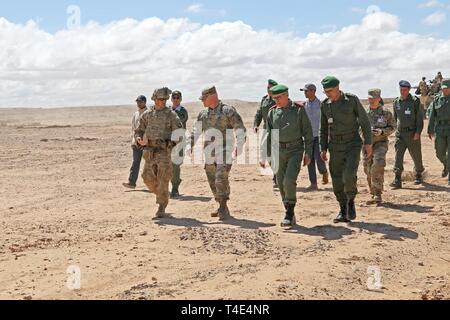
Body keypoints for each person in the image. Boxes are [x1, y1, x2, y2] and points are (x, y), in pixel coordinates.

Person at [319, 76, 373, 223]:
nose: (328, 94)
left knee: (349, 175)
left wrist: (368, 143)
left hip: (352, 144)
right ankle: (343, 209)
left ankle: (350, 201)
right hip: (335, 146)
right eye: (325, 92)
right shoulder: (325, 105)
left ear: (338, 88)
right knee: (336, 178)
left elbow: (365, 122)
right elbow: (323, 128)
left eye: (330, 91)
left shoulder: (352, 100)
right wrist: (322, 148)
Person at [190, 86, 247, 221]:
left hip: (225, 151)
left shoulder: (228, 111)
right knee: (212, 181)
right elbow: (195, 131)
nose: (202, 101)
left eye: (204, 98)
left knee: (220, 179)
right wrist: (189, 144)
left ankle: (222, 205)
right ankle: (222, 205)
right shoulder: (203, 114)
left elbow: (240, 129)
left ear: (212, 96)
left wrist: (239, 145)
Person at [263, 85, 313, 227]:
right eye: (274, 98)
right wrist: (267, 155)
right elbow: (269, 135)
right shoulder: (272, 113)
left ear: (286, 95)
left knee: (289, 180)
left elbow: (308, 132)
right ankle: (288, 210)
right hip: (278, 151)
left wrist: (308, 152)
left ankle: (289, 212)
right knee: (280, 182)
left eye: (279, 97)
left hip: (295, 150)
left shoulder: (298, 110)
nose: (276, 100)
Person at [135, 88, 183, 218]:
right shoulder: (148, 114)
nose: (163, 102)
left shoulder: (171, 115)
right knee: (147, 178)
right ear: (154, 99)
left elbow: (179, 134)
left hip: (163, 153)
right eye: (161, 99)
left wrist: (169, 144)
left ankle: (161, 206)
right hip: (149, 152)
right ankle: (162, 194)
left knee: (163, 180)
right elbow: (139, 130)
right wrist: (139, 139)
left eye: (165, 99)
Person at [390, 80, 425, 189]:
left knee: (416, 155)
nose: (402, 92)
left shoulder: (415, 101)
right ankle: (397, 178)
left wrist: (418, 132)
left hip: (412, 133)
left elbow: (420, 118)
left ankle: (418, 173)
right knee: (398, 155)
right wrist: (396, 129)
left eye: (405, 90)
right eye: (401, 89)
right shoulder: (396, 102)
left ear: (409, 90)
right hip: (400, 134)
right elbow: (395, 118)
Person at [363, 89, 396, 205]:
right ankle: (372, 192)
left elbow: (393, 127)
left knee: (377, 164)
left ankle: (377, 193)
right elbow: (357, 128)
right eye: (369, 98)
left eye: (373, 98)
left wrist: (382, 132)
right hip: (367, 144)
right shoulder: (363, 113)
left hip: (380, 143)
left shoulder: (386, 113)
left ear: (379, 98)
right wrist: (365, 133)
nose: (371, 100)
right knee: (367, 169)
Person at [301, 83, 329, 191]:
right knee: (309, 160)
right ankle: (313, 183)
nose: (305, 93)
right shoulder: (304, 106)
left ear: (313, 91)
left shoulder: (321, 105)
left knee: (319, 158)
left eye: (306, 91)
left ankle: (324, 172)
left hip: (319, 136)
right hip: (308, 138)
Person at [254, 79, 278, 188]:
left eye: (271, 88)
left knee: (276, 153)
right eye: (267, 88)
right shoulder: (264, 100)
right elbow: (259, 113)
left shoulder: (279, 99)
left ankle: (277, 177)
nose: (269, 90)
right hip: (266, 129)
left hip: (277, 130)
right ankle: (275, 173)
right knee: (267, 151)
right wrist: (255, 124)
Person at [428, 78, 450, 185]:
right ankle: (446, 165)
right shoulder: (437, 100)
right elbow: (432, 115)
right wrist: (430, 129)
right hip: (440, 129)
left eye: (447, 88)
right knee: (439, 152)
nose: (445, 90)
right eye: (443, 88)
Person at [123, 95, 148, 189]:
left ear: (145, 102)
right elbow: (133, 128)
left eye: (140, 101)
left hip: (146, 142)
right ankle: (131, 182)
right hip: (136, 142)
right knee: (135, 162)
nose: (138, 103)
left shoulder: (148, 113)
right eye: (137, 101)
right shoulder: (136, 113)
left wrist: (145, 140)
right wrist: (134, 140)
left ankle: (154, 184)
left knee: (149, 163)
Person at [170, 90, 189, 198]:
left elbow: (179, 122)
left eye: (178, 97)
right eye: (174, 97)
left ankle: (175, 188)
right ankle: (175, 181)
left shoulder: (182, 111)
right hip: (168, 141)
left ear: (180, 99)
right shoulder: (167, 110)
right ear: (171, 99)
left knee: (176, 164)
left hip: (179, 141)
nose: (176, 99)